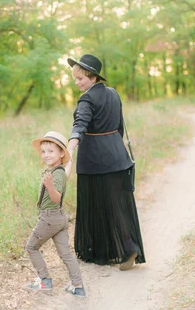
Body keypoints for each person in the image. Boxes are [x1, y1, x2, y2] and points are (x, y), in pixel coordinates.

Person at [66, 54, 145, 270]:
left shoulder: (87, 99)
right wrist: (113, 149)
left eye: (80, 78)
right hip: (118, 157)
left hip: (95, 162)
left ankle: (105, 251)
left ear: (93, 77)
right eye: (75, 79)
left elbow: (79, 125)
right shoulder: (114, 94)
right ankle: (127, 248)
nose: (77, 83)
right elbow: (119, 126)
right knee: (118, 206)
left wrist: (69, 148)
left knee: (97, 205)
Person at [25, 130, 86, 297]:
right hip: (59, 218)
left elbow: (56, 196)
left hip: (49, 218)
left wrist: (50, 187)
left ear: (60, 153)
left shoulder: (55, 175)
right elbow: (67, 172)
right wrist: (71, 154)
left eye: (51, 151)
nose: (46, 155)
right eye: (43, 151)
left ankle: (44, 280)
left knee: (31, 247)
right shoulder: (60, 170)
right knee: (65, 253)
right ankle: (78, 285)